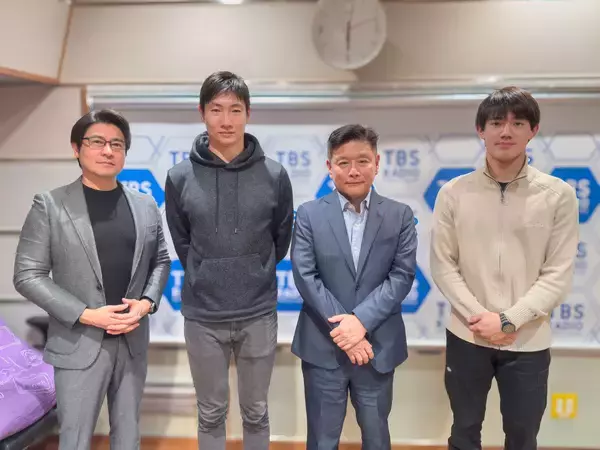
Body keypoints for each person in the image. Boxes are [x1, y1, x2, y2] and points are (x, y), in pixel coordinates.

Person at [430, 86, 579, 450]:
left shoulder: (558, 195)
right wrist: (480, 318)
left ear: (533, 130)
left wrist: (509, 320)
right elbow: (443, 264)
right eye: (496, 123)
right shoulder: (453, 193)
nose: (506, 131)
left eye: (518, 123)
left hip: (528, 339)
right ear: (481, 130)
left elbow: (557, 274)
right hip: (467, 335)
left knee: (523, 436)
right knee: (464, 432)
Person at [13, 109, 171, 450]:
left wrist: (146, 303)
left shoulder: (145, 205)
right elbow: (27, 275)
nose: (108, 151)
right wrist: (86, 314)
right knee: (75, 440)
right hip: (78, 341)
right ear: (76, 148)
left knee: (128, 437)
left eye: (117, 144)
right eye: (97, 142)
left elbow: (161, 261)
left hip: (131, 340)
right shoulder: (50, 205)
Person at [164, 70, 294, 450]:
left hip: (258, 312)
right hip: (203, 315)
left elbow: (281, 237)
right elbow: (182, 240)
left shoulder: (274, 175)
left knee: (256, 411)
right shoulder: (179, 176)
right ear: (202, 112)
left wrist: (253, 268)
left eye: (235, 110)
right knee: (210, 412)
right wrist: (206, 270)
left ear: (248, 114)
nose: (226, 120)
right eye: (216, 109)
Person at [290, 124, 417, 450]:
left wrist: (360, 322)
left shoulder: (400, 216)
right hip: (323, 347)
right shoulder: (308, 215)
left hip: (377, 347)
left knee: (377, 439)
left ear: (377, 162)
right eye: (343, 162)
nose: (353, 170)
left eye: (362, 161)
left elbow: (401, 276)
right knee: (322, 440)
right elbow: (306, 276)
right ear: (329, 166)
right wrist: (346, 330)